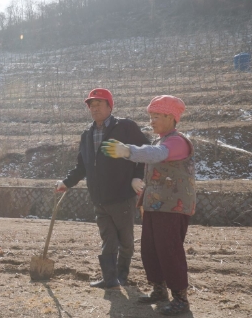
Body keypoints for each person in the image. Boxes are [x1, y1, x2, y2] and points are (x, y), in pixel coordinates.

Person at [101, 95, 195, 316]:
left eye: (157, 116)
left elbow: (157, 155)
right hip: (155, 206)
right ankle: (159, 290)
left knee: (169, 250)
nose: (152, 121)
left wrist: (128, 151)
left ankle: (180, 298)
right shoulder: (161, 140)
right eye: (151, 117)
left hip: (173, 208)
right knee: (151, 250)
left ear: (172, 117)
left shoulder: (176, 142)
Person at [56, 88, 149, 289]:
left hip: (123, 195)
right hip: (99, 198)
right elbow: (83, 166)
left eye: (99, 104)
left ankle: (122, 276)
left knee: (125, 240)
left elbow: (145, 152)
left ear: (110, 106)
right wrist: (67, 182)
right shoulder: (87, 135)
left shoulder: (125, 127)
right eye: (91, 105)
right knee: (108, 239)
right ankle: (110, 279)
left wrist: (137, 177)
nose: (94, 108)